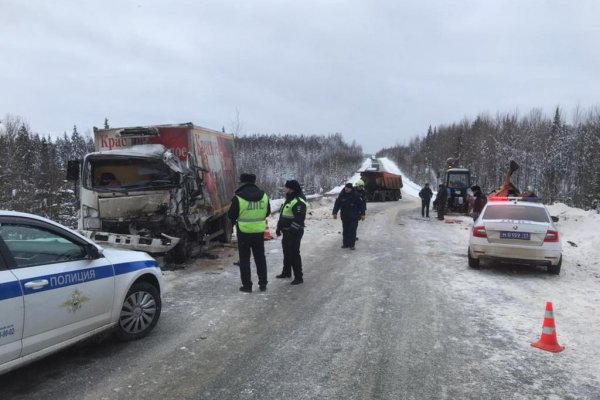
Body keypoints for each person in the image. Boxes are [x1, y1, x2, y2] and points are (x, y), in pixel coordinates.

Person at [228, 173, 271, 293]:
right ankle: (263, 283)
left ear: (243, 182)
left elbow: (231, 215)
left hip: (244, 232)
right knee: (260, 258)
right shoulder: (264, 196)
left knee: (245, 260)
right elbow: (267, 212)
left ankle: (247, 286)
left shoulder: (238, 198)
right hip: (258, 231)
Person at [275, 180, 307, 285]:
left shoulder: (298, 201)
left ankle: (299, 277)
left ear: (292, 189)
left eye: (287, 188)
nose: (286, 189)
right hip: (286, 231)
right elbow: (283, 215)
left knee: (294, 253)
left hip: (294, 232)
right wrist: (279, 227)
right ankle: (286, 272)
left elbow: (299, 218)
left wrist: (292, 231)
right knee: (287, 252)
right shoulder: (289, 199)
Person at [332, 183, 365, 250]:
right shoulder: (342, 195)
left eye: (348, 188)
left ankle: (352, 245)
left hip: (354, 216)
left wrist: (363, 214)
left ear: (351, 189)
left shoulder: (356, 195)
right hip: (345, 216)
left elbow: (361, 205)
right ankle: (345, 244)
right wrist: (334, 212)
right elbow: (337, 204)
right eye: (346, 188)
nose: (346, 189)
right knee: (345, 230)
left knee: (352, 230)